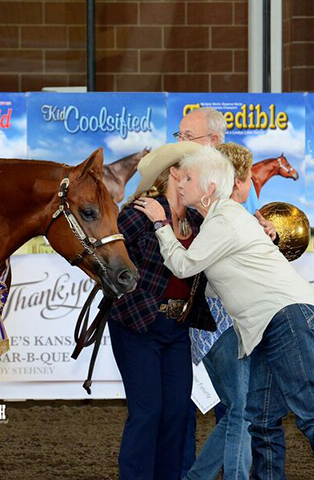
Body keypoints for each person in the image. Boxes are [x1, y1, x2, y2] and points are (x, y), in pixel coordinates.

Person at [135, 144, 314, 480]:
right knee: (264, 420)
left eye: (188, 178)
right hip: (275, 320)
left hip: (283, 316)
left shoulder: (223, 219)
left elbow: (183, 265)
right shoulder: (222, 218)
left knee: (311, 413)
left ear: (209, 188)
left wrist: (161, 224)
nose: (180, 183)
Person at [107, 141, 217, 480]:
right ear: (174, 173)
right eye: (194, 172)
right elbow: (111, 271)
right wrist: (149, 312)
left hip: (177, 328)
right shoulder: (137, 215)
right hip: (137, 326)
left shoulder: (198, 220)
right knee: (148, 412)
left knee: (176, 413)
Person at [175, 108, 275, 478]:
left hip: (216, 322)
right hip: (222, 320)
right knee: (241, 410)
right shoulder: (212, 200)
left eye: (188, 135)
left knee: (238, 409)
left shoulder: (210, 200)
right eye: (245, 180)